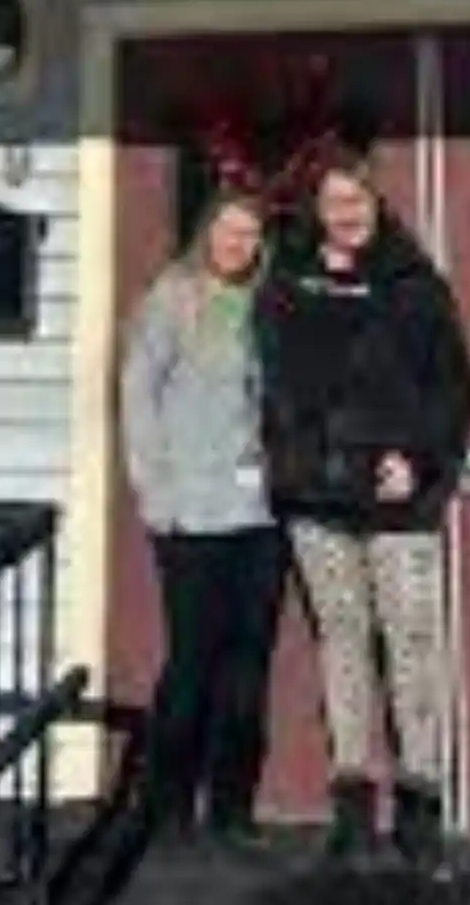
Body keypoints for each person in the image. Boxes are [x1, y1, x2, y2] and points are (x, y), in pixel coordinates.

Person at [255, 150, 470, 870]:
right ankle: (352, 809)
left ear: (376, 204)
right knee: (342, 644)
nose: (348, 214)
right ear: (316, 211)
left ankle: (420, 807)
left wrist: (418, 456)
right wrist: (292, 456)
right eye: (334, 203)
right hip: (318, 500)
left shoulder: (414, 285)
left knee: (412, 646)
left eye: (358, 200)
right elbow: (272, 383)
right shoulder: (288, 282)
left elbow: (454, 388)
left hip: (396, 503)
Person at [119, 188, 284, 854]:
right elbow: (137, 393)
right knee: (192, 659)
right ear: (207, 233)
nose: (238, 244)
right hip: (189, 512)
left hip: (258, 515)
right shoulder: (172, 298)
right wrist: (154, 492)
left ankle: (232, 807)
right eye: (228, 231)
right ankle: (166, 803)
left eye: (250, 235)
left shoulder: (266, 305)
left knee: (249, 664)